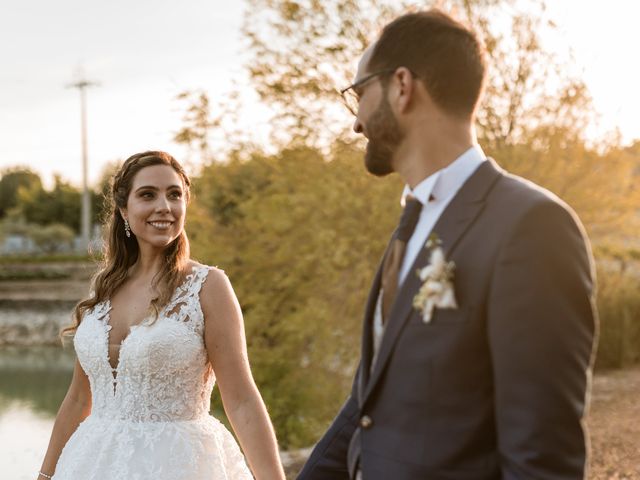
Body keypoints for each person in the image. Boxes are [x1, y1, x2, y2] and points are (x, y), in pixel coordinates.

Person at [298, 9, 597, 480]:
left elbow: (542, 456)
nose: (355, 122)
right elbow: (367, 404)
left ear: (401, 86)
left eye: (359, 94)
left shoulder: (531, 226)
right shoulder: (412, 222)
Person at [38, 151, 286, 480]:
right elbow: (78, 398)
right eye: (147, 195)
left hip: (180, 465)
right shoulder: (104, 289)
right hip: (91, 465)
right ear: (124, 210)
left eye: (174, 194)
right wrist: (44, 475)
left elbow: (241, 400)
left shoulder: (208, 286)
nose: (164, 207)